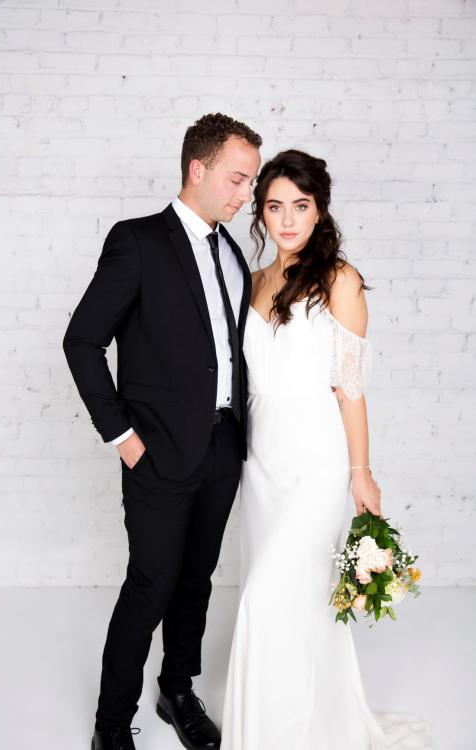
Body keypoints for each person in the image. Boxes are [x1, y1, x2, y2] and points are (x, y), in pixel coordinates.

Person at [220, 150, 433, 749]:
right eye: (274, 207)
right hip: (260, 458)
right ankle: (280, 719)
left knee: (274, 590)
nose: (287, 220)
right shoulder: (254, 281)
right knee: (279, 589)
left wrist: (360, 473)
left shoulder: (339, 280)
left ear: (319, 211)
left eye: (301, 206)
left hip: (316, 456)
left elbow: (352, 389)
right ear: (261, 214)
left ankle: (284, 730)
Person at [63, 112, 262, 750]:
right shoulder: (138, 241)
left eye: (250, 183)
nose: (244, 196)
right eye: (236, 179)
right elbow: (82, 340)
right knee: (150, 583)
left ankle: (177, 688)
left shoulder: (231, 252)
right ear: (197, 170)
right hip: (155, 452)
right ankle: (110, 723)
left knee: (197, 577)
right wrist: (122, 437)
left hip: (222, 447)